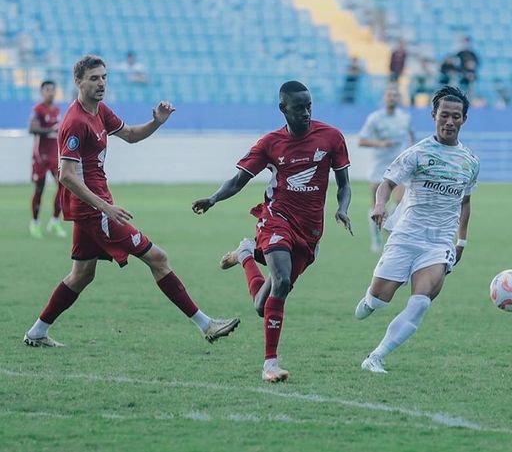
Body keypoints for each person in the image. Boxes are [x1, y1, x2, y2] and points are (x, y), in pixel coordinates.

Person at [22, 55, 240, 348]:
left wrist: (156, 122)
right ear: (78, 82)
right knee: (158, 258)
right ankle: (206, 325)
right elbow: (67, 175)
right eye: (94, 78)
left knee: (82, 274)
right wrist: (105, 207)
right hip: (94, 210)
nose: (101, 83)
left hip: (94, 208)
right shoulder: (74, 122)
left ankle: (37, 332)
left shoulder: (99, 111)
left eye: (104, 77)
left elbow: (131, 135)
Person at [191, 81, 353, 383]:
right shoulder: (270, 143)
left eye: (309, 107)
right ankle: (270, 365)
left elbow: (344, 185)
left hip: (310, 230)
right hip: (277, 218)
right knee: (280, 281)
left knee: (261, 307)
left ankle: (245, 255)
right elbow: (239, 180)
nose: (305, 113)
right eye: (299, 108)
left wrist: (342, 208)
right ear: (283, 109)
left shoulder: (331, 137)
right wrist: (213, 199)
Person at [354, 86, 480, 373]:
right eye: (444, 115)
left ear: (464, 120)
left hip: (439, 243)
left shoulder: (470, 162)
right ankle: (370, 301)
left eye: (456, 117)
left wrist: (461, 241)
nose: (450, 122)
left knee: (421, 301)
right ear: (434, 115)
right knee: (379, 299)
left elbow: (466, 202)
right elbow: (387, 182)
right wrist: (379, 205)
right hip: (407, 235)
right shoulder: (418, 153)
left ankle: (376, 357)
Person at [359, 86, 415, 252]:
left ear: (399, 99)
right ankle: (376, 237)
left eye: (395, 95)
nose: (392, 98)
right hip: (379, 166)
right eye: (389, 95)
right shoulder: (374, 118)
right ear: (384, 98)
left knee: (400, 201)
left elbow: (411, 135)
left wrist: (411, 149)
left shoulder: (405, 117)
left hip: (399, 166)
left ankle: (392, 232)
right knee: (377, 204)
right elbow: (362, 140)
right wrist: (380, 144)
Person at [28, 80, 65, 239]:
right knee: (39, 189)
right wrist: (52, 129)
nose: (50, 92)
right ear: (42, 92)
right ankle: (35, 223)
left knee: (64, 187)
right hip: (40, 157)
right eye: (47, 89)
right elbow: (32, 128)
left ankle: (55, 221)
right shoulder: (38, 109)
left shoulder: (57, 110)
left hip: (55, 156)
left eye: (53, 89)